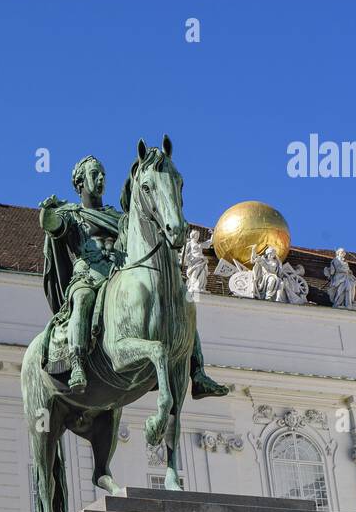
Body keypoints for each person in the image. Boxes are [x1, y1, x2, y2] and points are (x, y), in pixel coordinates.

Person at [39, 155, 227, 397]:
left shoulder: (119, 218)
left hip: (119, 270)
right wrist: (47, 214)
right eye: (94, 174)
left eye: (103, 175)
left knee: (177, 301)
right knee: (83, 299)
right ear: (80, 183)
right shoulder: (72, 215)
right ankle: (77, 362)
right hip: (89, 273)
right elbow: (53, 225)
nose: (101, 179)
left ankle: (197, 371)